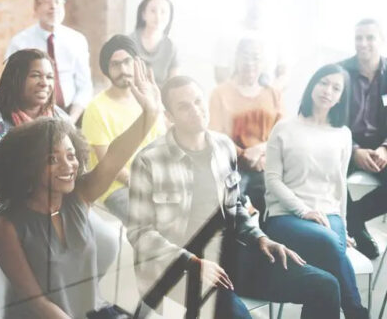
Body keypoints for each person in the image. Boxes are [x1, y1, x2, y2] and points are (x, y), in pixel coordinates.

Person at [128, 75, 341, 318]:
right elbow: (140, 234)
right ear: (169, 117)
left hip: (230, 253)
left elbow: (236, 205)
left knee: (325, 286)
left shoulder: (223, 147)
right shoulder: (149, 161)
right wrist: (193, 263)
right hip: (179, 268)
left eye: (198, 101)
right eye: (183, 107)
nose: (196, 110)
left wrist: (261, 238)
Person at [0, 56, 161, 318]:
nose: (68, 166)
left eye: (71, 155)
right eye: (52, 159)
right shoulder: (8, 225)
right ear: (28, 167)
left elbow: (115, 155)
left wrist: (149, 114)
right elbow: (37, 302)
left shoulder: (79, 196)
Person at [0, 48, 118, 280]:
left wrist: (62, 210)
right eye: (35, 75)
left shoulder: (62, 120)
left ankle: (79, 297)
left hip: (60, 209)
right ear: (16, 78)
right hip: (8, 216)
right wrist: (32, 213)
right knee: (45, 263)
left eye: (49, 76)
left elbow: (79, 174)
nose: (44, 82)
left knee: (106, 243)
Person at [264, 64, 368, 318]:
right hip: (285, 216)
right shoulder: (285, 128)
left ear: (341, 96)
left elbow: (339, 184)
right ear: (313, 84)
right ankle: (356, 312)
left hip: (329, 216)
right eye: (323, 83)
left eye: (336, 88)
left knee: (325, 274)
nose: (328, 91)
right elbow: (272, 180)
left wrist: (343, 226)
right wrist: (304, 210)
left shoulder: (343, 134)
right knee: (328, 243)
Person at [82, 34, 165, 223]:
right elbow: (108, 164)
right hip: (115, 187)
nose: (123, 70)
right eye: (115, 65)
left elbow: (161, 146)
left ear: (137, 64)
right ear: (107, 70)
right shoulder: (96, 108)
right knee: (150, 222)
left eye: (127, 62)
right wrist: (138, 183)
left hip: (152, 183)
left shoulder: (148, 99)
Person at [209, 38, 284, 220]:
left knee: (275, 210)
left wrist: (260, 151)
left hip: (265, 164)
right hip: (232, 165)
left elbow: (282, 133)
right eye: (245, 56)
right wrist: (243, 155)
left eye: (256, 57)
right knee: (230, 214)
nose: (250, 63)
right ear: (236, 59)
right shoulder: (220, 92)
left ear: (263, 62)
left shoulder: (272, 92)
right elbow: (215, 135)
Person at [5, 0, 93, 124]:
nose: (53, 6)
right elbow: (11, 86)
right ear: (36, 8)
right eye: (47, 1)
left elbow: (85, 86)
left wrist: (71, 119)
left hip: (72, 114)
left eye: (58, 1)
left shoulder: (77, 40)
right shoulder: (20, 43)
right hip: (32, 117)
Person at [340, 18, 387, 259]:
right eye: (359, 38)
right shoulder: (340, 72)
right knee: (327, 174)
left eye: (370, 38)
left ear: (382, 40)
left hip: (382, 146)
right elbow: (331, 118)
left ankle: (353, 220)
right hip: (345, 142)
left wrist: (385, 148)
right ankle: (351, 226)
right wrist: (354, 149)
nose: (364, 43)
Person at [213, 0, 288, 89]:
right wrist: (238, 97)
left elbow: (284, 74)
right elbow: (220, 74)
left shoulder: (277, 34)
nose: (256, 3)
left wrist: (269, 95)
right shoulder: (227, 34)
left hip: (268, 101)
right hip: (234, 101)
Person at [129, 0, 181, 87]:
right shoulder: (129, 42)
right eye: (153, 11)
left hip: (160, 99)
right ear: (144, 14)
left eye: (163, 12)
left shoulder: (171, 47)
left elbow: (174, 83)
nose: (158, 17)